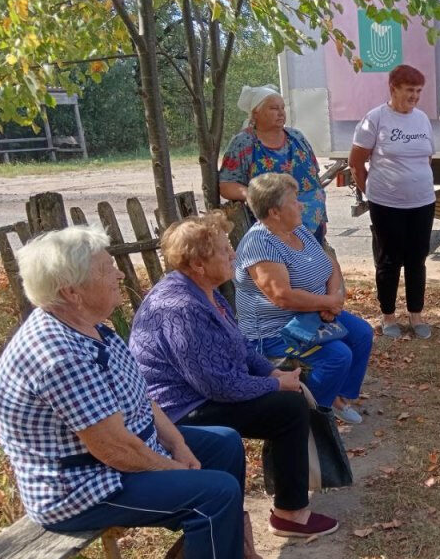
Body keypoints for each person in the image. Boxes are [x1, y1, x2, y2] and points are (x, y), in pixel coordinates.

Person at [0, 226, 253, 558]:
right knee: (215, 494)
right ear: (72, 292)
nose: (117, 273)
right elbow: (114, 449)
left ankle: (226, 549)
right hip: (82, 487)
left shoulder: (92, 327)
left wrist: (177, 445)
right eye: (105, 269)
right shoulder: (58, 356)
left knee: (225, 444)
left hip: (118, 458)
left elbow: (141, 398)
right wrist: (173, 468)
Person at [129, 211, 339, 538]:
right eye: (225, 250)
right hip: (177, 412)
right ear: (198, 264)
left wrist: (271, 371)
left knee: (288, 402)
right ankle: (290, 514)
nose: (234, 255)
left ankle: (288, 510)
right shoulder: (180, 308)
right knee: (287, 408)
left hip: (202, 395)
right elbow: (219, 385)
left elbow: (240, 345)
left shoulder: (205, 291)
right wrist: (274, 383)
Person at [234, 172, 374, 425]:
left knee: (362, 333)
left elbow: (329, 263)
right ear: (275, 212)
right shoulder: (260, 244)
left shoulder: (297, 228)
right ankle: (309, 422)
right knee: (338, 356)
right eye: (294, 200)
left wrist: (333, 298)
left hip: (314, 314)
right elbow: (282, 297)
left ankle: (336, 396)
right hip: (275, 331)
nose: (301, 205)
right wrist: (326, 304)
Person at [349, 64, 437, 339]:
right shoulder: (375, 119)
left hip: (422, 202)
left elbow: (427, 157)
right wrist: (374, 194)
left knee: (417, 259)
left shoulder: (422, 118)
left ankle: (416, 315)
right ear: (393, 88)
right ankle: (388, 316)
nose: (415, 96)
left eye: (419, 91)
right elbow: (356, 162)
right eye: (409, 90)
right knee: (389, 260)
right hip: (387, 205)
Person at [219, 84, 331, 246]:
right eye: (273, 108)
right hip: (274, 228)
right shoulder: (244, 143)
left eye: (282, 108)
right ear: (255, 113)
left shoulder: (297, 137)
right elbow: (226, 185)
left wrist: (322, 219)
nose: (280, 113)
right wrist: (255, 194)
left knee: (312, 269)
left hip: (312, 224)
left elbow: (314, 180)